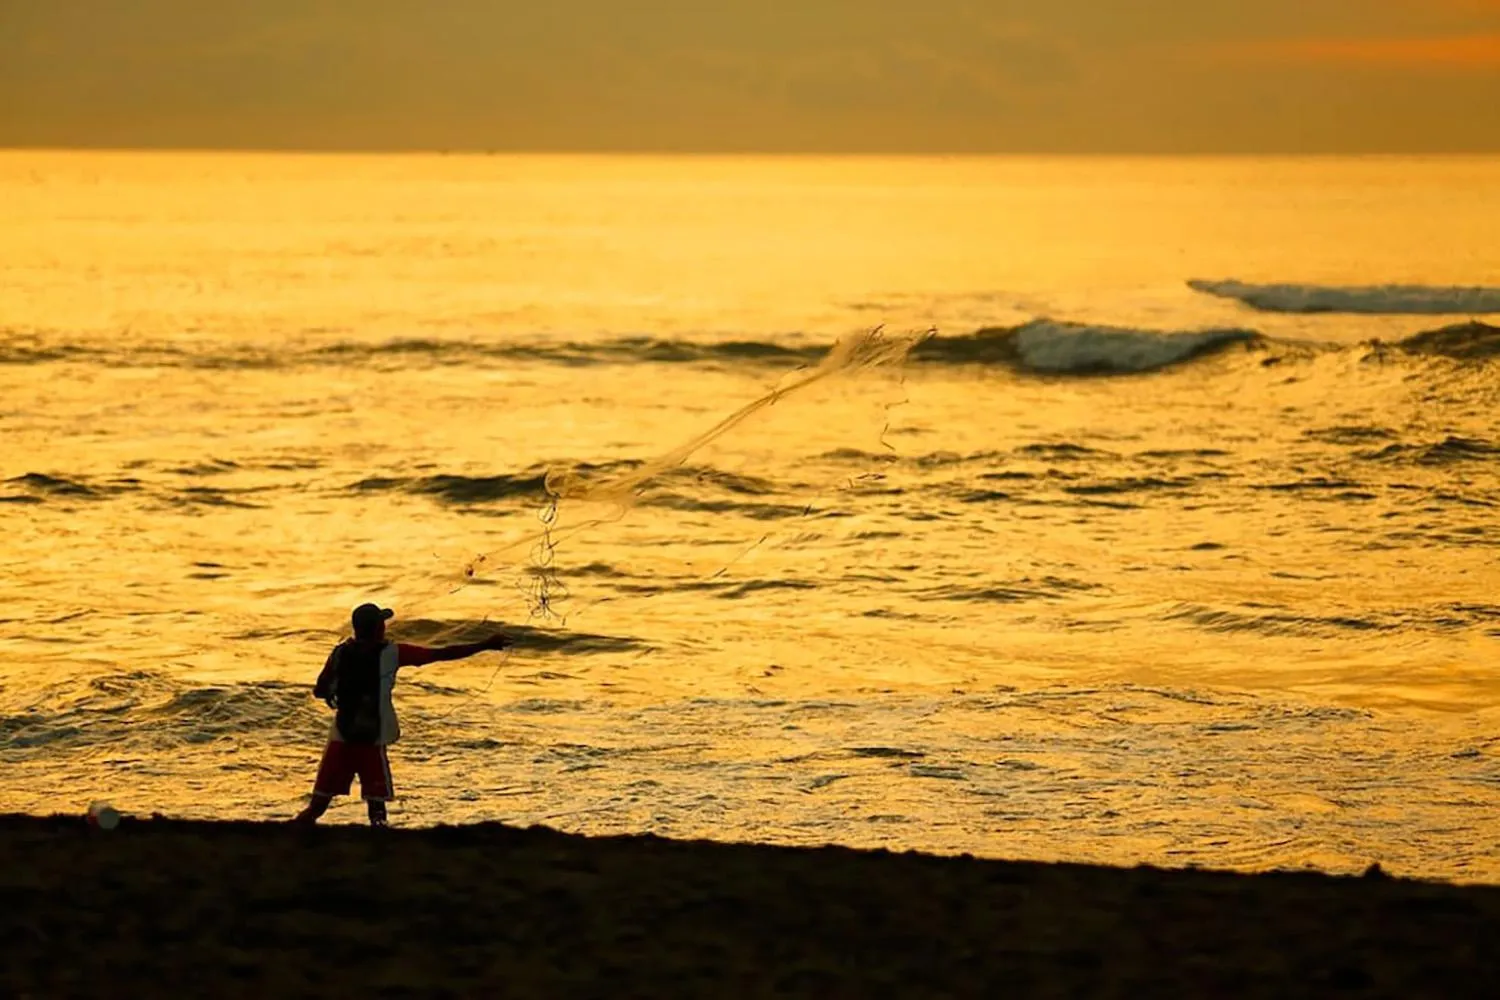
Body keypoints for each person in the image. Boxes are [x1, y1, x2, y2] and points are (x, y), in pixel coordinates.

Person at [293, 603, 508, 826]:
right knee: (377, 811)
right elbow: (440, 654)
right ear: (377, 628)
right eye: (381, 623)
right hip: (372, 741)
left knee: (316, 807)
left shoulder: (340, 653)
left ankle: (290, 836)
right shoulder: (392, 653)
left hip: (341, 738)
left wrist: (335, 694)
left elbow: (319, 690)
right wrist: (485, 645)